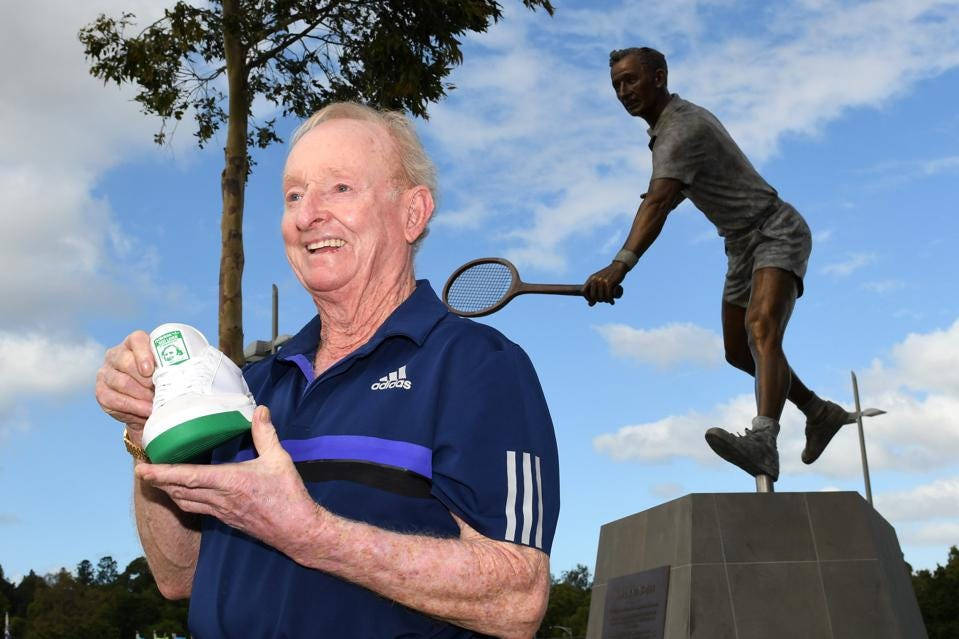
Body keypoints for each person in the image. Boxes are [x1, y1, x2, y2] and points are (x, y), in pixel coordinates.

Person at [95, 102, 559, 638]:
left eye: (340, 188)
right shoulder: (250, 385)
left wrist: (311, 533)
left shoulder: (477, 365)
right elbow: (179, 575)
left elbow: (517, 597)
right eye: (293, 195)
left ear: (413, 213)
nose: (307, 213)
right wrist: (146, 427)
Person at [583, 47, 854, 483]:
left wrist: (619, 266)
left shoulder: (681, 130)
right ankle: (819, 412)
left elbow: (659, 202)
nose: (623, 91)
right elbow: (660, 199)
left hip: (775, 229)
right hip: (740, 245)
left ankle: (764, 440)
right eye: (616, 84)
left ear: (658, 77)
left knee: (761, 328)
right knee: (737, 351)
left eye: (631, 80)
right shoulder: (665, 131)